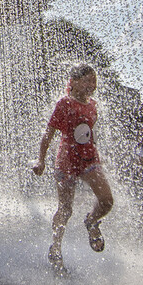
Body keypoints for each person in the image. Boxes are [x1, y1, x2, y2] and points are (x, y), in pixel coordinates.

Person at [33, 64, 114, 274]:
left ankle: (91, 221)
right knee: (66, 209)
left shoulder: (94, 105)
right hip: (66, 161)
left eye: (94, 81)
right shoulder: (64, 103)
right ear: (74, 81)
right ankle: (56, 248)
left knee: (107, 201)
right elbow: (48, 133)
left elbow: (87, 133)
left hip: (88, 160)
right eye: (87, 80)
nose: (92, 85)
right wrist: (40, 160)